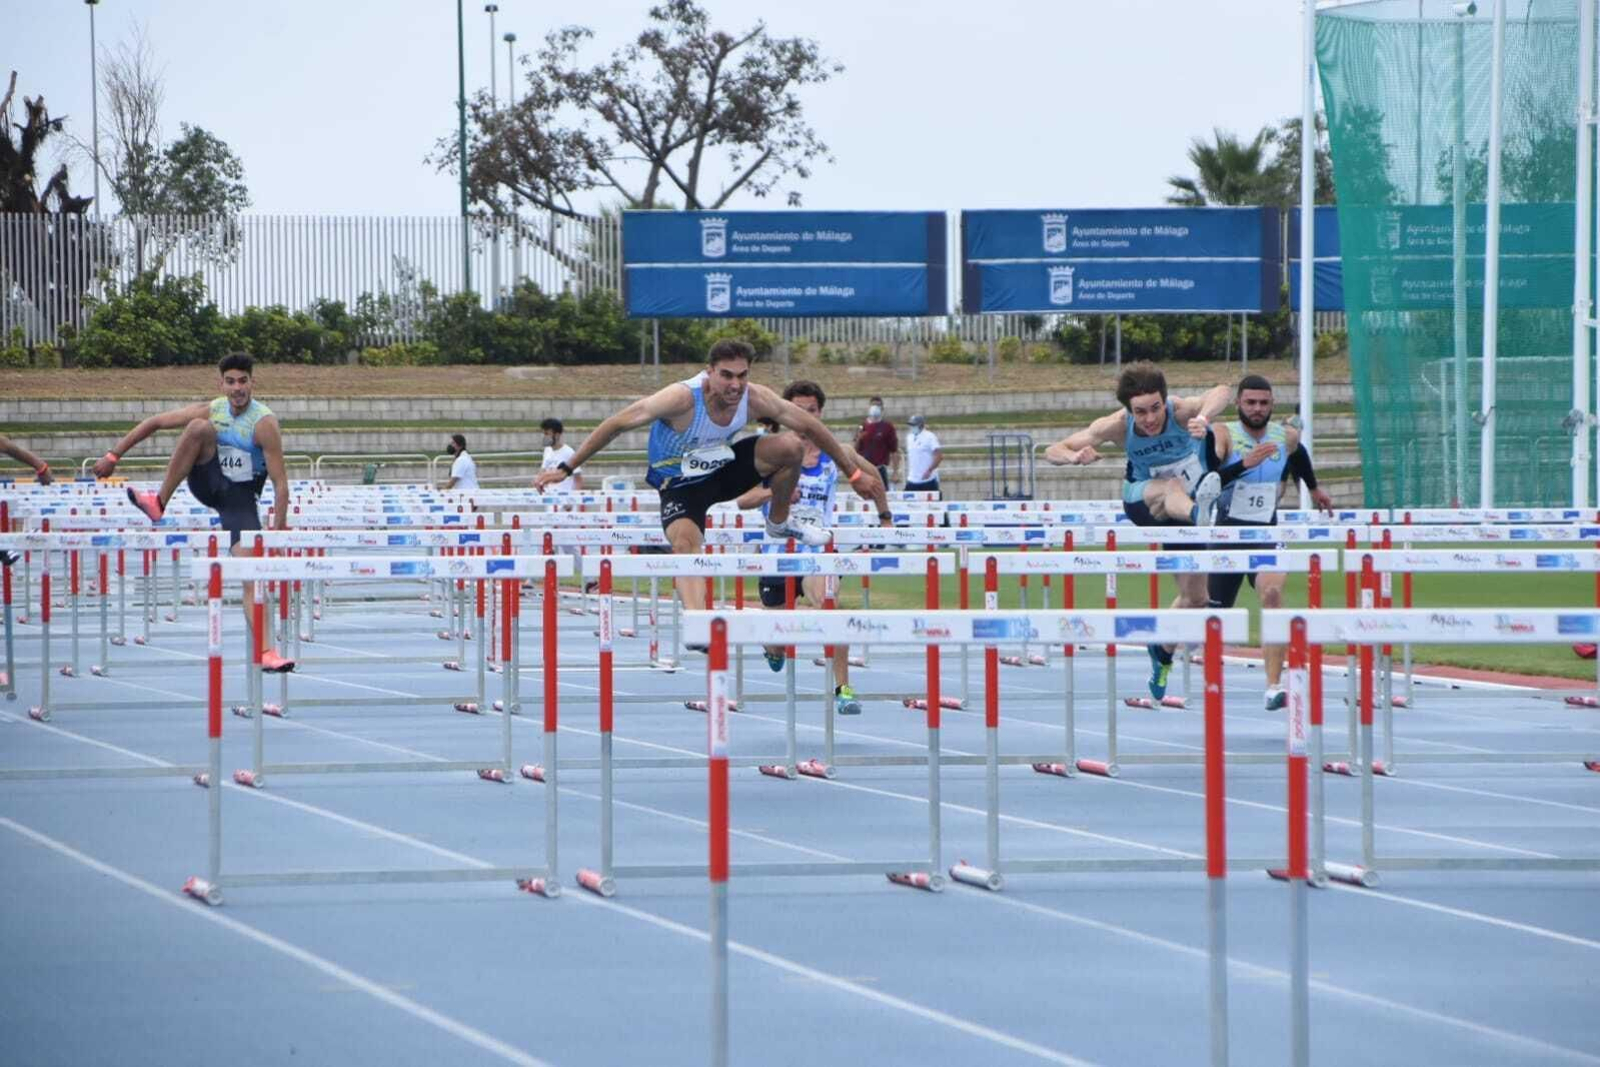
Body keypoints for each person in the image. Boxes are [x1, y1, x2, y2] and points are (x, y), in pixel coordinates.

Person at [531, 340, 885, 643]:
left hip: (722, 470)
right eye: (727, 375)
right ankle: (700, 624)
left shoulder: (753, 397)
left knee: (791, 446)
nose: (735, 385)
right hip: (680, 485)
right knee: (686, 544)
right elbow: (616, 424)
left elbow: (809, 424)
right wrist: (566, 467)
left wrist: (852, 471)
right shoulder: (681, 398)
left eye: (742, 375)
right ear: (709, 372)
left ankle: (779, 522)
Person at [1043, 362, 1235, 701]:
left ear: (1165, 401)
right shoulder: (1117, 426)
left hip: (1179, 511)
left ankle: (1161, 652)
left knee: (1196, 597)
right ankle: (1200, 514)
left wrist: (1203, 418)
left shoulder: (1179, 411)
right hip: (1142, 500)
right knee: (1169, 486)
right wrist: (1075, 458)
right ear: (1128, 410)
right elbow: (1052, 449)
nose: (1149, 419)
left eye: (1155, 408)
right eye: (1141, 412)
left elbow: (1223, 391)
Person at [92, 352, 294, 672]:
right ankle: (158, 502)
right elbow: (155, 422)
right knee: (198, 427)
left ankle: (267, 652)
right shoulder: (213, 409)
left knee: (251, 573)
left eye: (243, 381)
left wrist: (279, 532)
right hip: (207, 481)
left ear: (253, 382)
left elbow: (281, 484)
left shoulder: (264, 423)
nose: (237, 388)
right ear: (222, 384)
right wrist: (113, 455)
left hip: (238, 498)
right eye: (231, 382)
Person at [735, 380, 894, 716]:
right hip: (777, 557)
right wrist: (772, 494)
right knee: (777, 640)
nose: (805, 417)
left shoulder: (836, 452)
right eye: (799, 410)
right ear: (786, 412)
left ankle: (843, 689)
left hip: (816, 554)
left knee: (830, 608)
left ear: (820, 413)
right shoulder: (768, 451)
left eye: (812, 411)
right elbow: (742, 501)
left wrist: (885, 520)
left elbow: (875, 479)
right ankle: (773, 648)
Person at [1206, 374, 1334, 710]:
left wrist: (1314, 487)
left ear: (1272, 404)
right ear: (1239, 404)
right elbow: (1210, 476)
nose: (1257, 409)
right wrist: (1241, 465)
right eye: (1251, 402)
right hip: (1226, 534)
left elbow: (1299, 454)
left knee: (1273, 596)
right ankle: (1173, 659)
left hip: (1267, 533)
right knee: (1211, 611)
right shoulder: (1224, 434)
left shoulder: (1285, 436)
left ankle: (1274, 685)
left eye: (1264, 403)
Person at [854, 395, 899, 490]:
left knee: (882, 495)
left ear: (882, 408)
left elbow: (894, 450)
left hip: (880, 469)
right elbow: (855, 450)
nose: (875, 408)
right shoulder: (862, 426)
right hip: (865, 468)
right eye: (873, 405)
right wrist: (859, 439)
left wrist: (895, 472)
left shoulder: (887, 427)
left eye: (878, 406)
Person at [538, 418, 582, 493]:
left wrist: (572, 500)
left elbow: (578, 479)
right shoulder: (547, 450)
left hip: (565, 498)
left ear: (557, 435)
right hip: (549, 498)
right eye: (544, 434)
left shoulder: (569, 452)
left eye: (547, 434)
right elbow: (543, 471)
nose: (545, 437)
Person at [904, 414, 943, 497]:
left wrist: (929, 470)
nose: (911, 427)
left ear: (920, 425)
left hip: (927, 480)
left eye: (913, 425)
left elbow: (938, 455)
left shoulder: (929, 437)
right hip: (912, 479)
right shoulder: (909, 437)